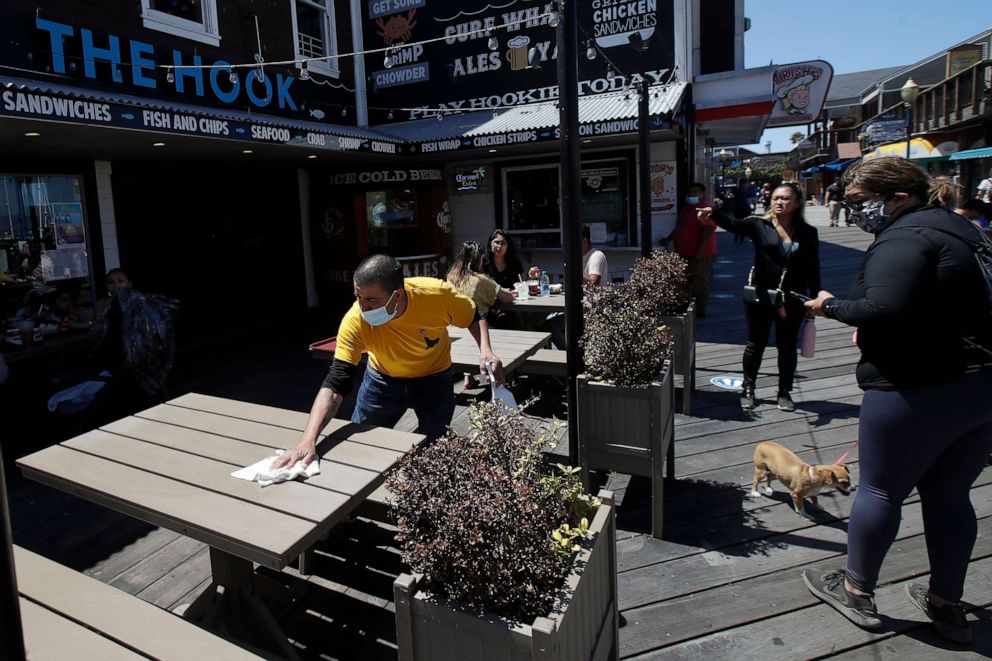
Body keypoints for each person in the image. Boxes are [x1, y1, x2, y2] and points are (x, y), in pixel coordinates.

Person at [802, 157, 992, 643]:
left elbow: (884, 307)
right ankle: (946, 601)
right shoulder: (966, 231)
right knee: (951, 494)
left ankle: (855, 589)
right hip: (981, 388)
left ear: (900, 198)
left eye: (862, 202)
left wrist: (832, 307)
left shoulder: (905, 236)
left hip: (916, 387)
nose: (856, 211)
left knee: (881, 490)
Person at [275, 255, 504, 468]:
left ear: (398, 295)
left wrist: (486, 349)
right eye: (358, 297)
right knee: (361, 449)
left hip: (434, 378)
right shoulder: (355, 320)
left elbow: (473, 315)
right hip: (382, 381)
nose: (363, 307)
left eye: (372, 300)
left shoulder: (436, 295)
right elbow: (337, 382)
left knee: (436, 449)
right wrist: (307, 440)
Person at [699, 182, 821, 411]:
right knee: (756, 343)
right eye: (776, 198)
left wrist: (815, 297)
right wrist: (713, 213)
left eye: (785, 198)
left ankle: (784, 391)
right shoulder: (759, 225)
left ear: (798, 202)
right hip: (761, 295)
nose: (779, 202)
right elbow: (733, 225)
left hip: (793, 297)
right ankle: (748, 388)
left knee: (787, 346)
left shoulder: (808, 233)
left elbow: (813, 268)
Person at [447, 241, 515, 388]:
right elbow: (506, 297)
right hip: (478, 326)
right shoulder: (482, 280)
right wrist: (514, 293)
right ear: (478, 260)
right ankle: (488, 379)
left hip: (454, 327)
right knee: (501, 330)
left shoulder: (450, 277)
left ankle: (468, 376)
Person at [672, 182, 717, 317]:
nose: (692, 195)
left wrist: (700, 251)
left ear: (702, 194)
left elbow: (708, 229)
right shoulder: (687, 207)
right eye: (690, 192)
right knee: (685, 281)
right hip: (684, 252)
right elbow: (680, 226)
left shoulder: (704, 208)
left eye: (695, 192)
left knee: (700, 281)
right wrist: (669, 238)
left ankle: (701, 310)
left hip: (700, 254)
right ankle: (686, 307)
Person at [483, 229, 524, 328]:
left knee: (516, 322)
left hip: (511, 307)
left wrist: (529, 277)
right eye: (496, 242)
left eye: (503, 243)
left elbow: (520, 285)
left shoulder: (514, 263)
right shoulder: (483, 263)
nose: (499, 246)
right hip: (489, 309)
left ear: (508, 246)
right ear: (490, 244)